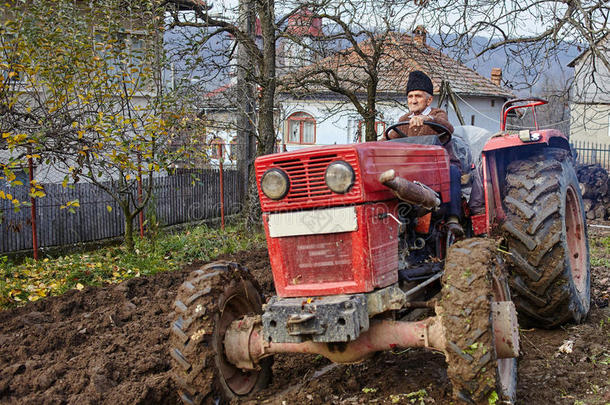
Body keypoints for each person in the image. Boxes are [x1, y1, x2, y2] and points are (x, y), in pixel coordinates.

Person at [387, 70, 464, 237]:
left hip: (439, 166)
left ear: (429, 99)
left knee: (452, 171)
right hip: (412, 168)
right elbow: (387, 140)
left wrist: (430, 120)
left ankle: (453, 218)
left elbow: (447, 127)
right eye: (410, 96)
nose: (413, 100)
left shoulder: (437, 114)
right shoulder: (404, 120)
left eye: (418, 96)